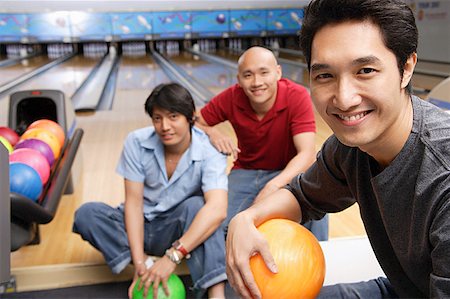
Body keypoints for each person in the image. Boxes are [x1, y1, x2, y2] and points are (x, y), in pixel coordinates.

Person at [225, 0, 450, 298]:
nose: (344, 100)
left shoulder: (442, 176)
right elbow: (301, 197)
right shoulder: (349, 149)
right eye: (325, 76)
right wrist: (246, 219)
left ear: (406, 68)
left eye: (365, 70)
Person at [73, 83, 228, 299]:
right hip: (140, 226)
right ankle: (147, 267)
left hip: (177, 230)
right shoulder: (136, 142)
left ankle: (216, 292)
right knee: (87, 214)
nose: (165, 126)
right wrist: (140, 264)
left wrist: (173, 256)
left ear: (190, 117)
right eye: (157, 118)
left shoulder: (210, 150)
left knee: (201, 209)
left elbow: (218, 209)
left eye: (173, 117)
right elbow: (134, 204)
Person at [196, 46, 329, 241]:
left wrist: (273, 187)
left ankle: (319, 260)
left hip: (288, 170)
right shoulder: (232, 97)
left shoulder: (296, 96)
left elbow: (306, 154)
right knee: (223, 227)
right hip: (246, 171)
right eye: (248, 75)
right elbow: (193, 120)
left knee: (318, 205)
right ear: (239, 79)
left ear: (278, 73)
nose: (257, 82)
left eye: (264, 72)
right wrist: (211, 131)